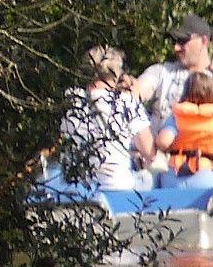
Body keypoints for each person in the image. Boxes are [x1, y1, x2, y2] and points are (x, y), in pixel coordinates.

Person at [135, 14, 213, 162]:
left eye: (182, 41)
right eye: (175, 41)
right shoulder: (162, 72)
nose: (176, 47)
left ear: (204, 41)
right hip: (162, 157)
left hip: (209, 156)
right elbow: (141, 89)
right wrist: (133, 90)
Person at [56, 46, 152, 190]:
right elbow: (149, 152)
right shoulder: (127, 102)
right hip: (117, 187)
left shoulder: (69, 99)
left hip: (76, 188)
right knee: (148, 178)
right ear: (116, 73)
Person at [163, 69, 213, 179]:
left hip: (176, 177)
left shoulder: (175, 116)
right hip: (206, 177)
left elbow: (163, 142)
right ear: (212, 92)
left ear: (184, 92)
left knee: (162, 170)